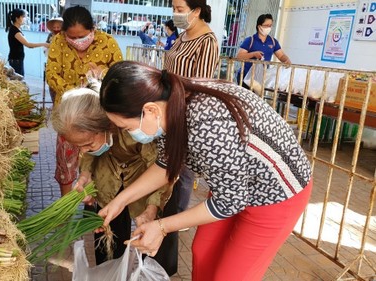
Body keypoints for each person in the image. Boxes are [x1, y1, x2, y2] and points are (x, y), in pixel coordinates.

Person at [97, 61, 313, 281]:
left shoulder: (208, 123)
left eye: (127, 128)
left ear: (150, 110)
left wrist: (161, 227)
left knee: (231, 276)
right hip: (232, 186)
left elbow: (229, 203)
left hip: (275, 194)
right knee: (203, 252)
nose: (130, 134)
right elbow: (165, 165)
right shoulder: (169, 106)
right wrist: (120, 201)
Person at [51, 84, 176, 275]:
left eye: (87, 144)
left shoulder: (136, 128)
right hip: (108, 178)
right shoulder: (91, 135)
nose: (83, 150)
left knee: (151, 240)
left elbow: (161, 171)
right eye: (79, 146)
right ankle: (108, 272)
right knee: (108, 237)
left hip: (145, 178)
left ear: (106, 125)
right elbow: (90, 153)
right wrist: (85, 176)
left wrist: (152, 208)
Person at [46, 5, 123, 196]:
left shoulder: (108, 42)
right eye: (72, 37)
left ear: (92, 29)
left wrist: (100, 76)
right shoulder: (58, 42)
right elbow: (52, 74)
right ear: (64, 34)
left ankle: (94, 200)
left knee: (96, 157)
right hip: (69, 115)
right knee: (66, 161)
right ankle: (67, 204)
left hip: (97, 117)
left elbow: (120, 74)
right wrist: (76, 95)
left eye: (82, 36)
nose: (77, 41)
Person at [165, 0, 219, 236]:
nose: (175, 14)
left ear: (196, 11)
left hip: (186, 113)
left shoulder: (207, 41)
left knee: (183, 171)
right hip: (169, 110)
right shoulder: (183, 35)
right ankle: (166, 215)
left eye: (179, 9)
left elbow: (202, 87)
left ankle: (174, 222)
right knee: (169, 166)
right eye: (174, 9)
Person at [236, 14, 291, 87]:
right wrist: (253, 54)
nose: (269, 28)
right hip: (245, 76)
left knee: (257, 97)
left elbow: (281, 55)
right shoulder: (250, 40)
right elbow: (239, 56)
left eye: (270, 25)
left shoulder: (273, 41)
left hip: (260, 77)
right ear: (259, 26)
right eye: (266, 25)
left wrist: (286, 60)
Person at [5, 9, 46, 76]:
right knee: (18, 82)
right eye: (23, 17)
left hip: (17, 60)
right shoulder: (15, 31)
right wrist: (44, 44)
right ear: (17, 18)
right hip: (16, 61)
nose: (25, 19)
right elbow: (29, 45)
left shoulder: (16, 29)